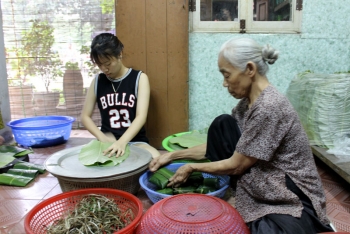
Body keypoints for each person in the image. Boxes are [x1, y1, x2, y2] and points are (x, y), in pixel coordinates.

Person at [149, 38, 334, 234]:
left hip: (289, 188)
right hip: (261, 172)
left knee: (267, 230)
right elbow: (219, 146)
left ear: (250, 69)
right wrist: (172, 156)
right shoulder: (247, 104)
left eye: (227, 75)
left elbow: (237, 164)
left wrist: (191, 167)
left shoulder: (269, 106)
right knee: (222, 124)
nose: (224, 83)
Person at [81, 33, 160, 158]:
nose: (104, 69)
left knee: (156, 158)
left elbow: (141, 116)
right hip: (108, 141)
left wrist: (122, 142)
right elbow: (85, 117)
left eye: (107, 64)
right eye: (99, 65)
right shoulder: (97, 81)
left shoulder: (139, 78)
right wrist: (103, 138)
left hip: (135, 141)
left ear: (119, 54)